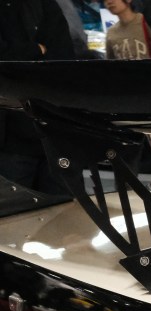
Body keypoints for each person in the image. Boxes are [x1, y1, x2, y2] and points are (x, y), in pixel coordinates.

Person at [0, 0, 75, 195]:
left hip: (54, 129)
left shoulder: (46, 6)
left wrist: (24, 53)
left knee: (64, 204)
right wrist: (36, 50)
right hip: (12, 134)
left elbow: (64, 58)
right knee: (16, 205)